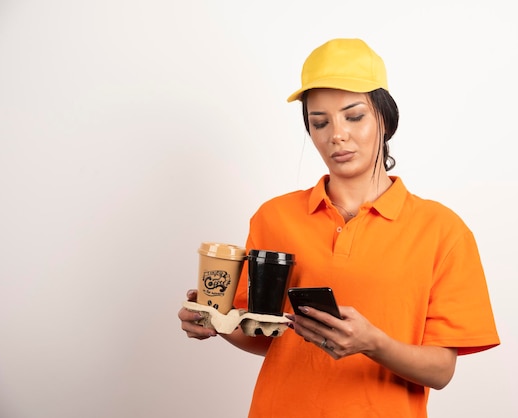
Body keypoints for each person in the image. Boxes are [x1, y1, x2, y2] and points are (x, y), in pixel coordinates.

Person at [179, 38, 500, 417]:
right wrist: (215, 320)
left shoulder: (443, 231)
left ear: (385, 117)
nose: (336, 135)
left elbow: (441, 370)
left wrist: (372, 343)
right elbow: (264, 333)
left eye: (354, 116)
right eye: (320, 122)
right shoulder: (274, 217)